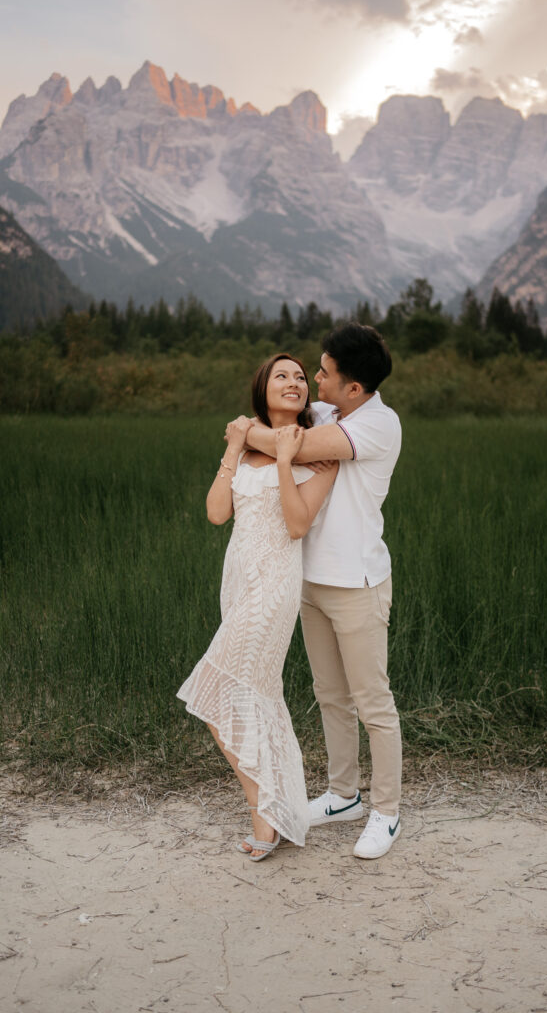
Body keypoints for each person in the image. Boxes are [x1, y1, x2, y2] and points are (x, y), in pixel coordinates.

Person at [242, 323, 402, 859]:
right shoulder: (332, 410)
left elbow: (292, 442)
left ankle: (386, 812)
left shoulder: (378, 424)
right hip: (309, 578)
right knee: (329, 695)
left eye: (325, 372)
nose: (314, 377)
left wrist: (243, 430)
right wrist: (266, 437)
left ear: (353, 387)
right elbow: (284, 440)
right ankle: (342, 794)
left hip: (356, 582)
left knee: (372, 702)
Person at [177, 354, 338, 862]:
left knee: (214, 685)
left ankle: (263, 811)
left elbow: (295, 526)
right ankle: (282, 808)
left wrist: (288, 462)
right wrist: (232, 446)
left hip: (275, 583)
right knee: (256, 694)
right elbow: (216, 512)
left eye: (299, 377)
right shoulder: (245, 445)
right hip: (238, 580)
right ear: (261, 388)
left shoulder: (319, 454)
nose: (293, 383)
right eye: (280, 376)